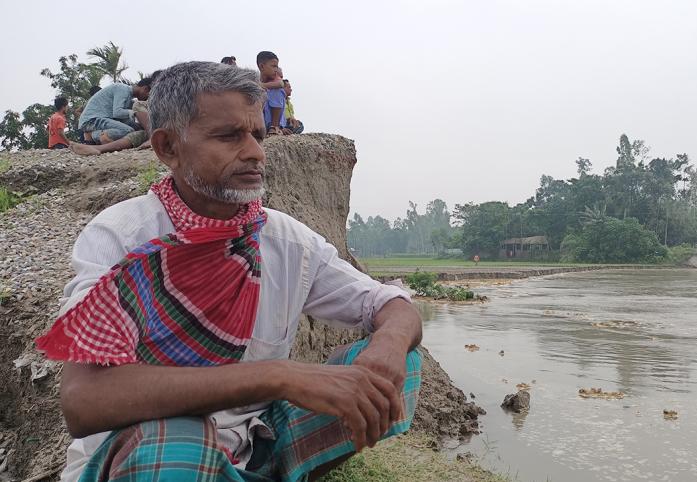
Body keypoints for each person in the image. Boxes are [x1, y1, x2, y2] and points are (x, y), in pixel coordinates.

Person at [36, 61, 423, 482]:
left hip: (254, 441)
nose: (256, 152)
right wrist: (277, 376)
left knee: (398, 371)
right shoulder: (123, 237)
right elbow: (84, 399)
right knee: (176, 441)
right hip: (153, 452)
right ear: (167, 148)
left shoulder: (286, 240)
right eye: (228, 136)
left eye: (257, 134)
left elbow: (390, 305)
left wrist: (387, 345)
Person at [71, 72, 160, 155]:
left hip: (100, 119)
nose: (147, 98)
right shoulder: (122, 89)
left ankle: (102, 138)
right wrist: (135, 113)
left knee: (134, 127)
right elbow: (117, 113)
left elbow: (123, 117)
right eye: (148, 95)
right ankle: (94, 135)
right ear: (145, 89)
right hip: (92, 120)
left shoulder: (128, 97)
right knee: (128, 130)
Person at [257, 51, 286, 136]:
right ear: (262, 66)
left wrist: (261, 86)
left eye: (277, 67)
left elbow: (280, 84)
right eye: (273, 66)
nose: (276, 70)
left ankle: (275, 127)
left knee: (277, 91)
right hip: (260, 120)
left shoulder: (276, 79)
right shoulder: (254, 78)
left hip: (270, 122)